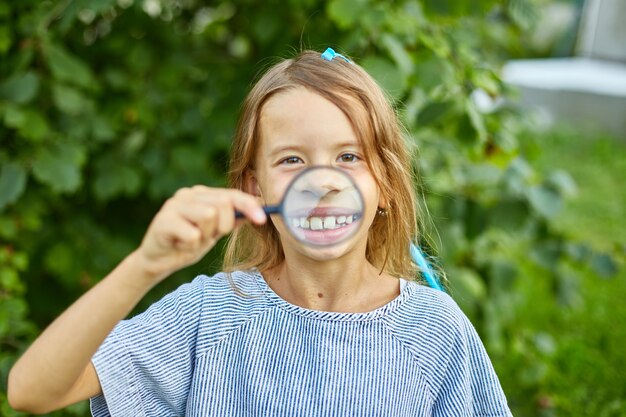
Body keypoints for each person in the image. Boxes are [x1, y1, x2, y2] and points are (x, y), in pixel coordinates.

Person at [8, 48, 513, 416]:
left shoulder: (434, 331)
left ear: (384, 184)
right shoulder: (207, 317)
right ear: (255, 187)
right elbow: (32, 391)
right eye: (292, 159)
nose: (321, 186)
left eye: (348, 157)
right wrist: (147, 264)